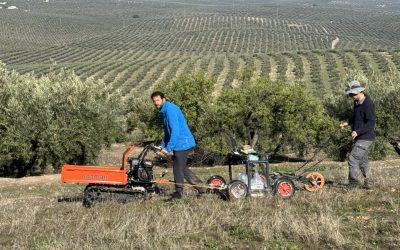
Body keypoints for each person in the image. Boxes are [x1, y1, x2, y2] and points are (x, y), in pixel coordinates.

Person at [151, 91, 204, 201]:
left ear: (163, 99)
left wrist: (168, 148)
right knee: (181, 168)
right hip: (180, 142)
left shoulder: (170, 110)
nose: (156, 103)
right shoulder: (164, 111)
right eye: (154, 101)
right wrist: (162, 146)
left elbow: (175, 132)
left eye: (158, 100)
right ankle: (202, 188)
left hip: (183, 142)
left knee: (177, 167)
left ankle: (178, 193)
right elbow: (167, 133)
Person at [340, 80, 376, 190]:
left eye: (352, 94)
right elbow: (356, 118)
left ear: (358, 92)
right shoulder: (357, 103)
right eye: (350, 94)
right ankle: (369, 184)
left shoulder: (368, 104)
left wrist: (358, 131)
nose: (351, 96)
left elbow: (370, 122)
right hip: (361, 137)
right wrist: (347, 122)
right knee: (362, 160)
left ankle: (353, 184)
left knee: (352, 158)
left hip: (366, 137)